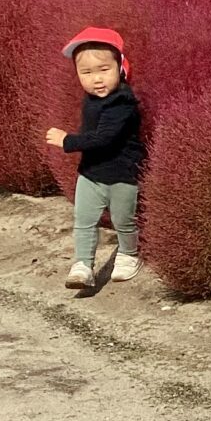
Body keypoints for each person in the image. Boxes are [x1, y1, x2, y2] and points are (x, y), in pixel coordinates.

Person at [45, 26, 144, 290]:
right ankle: (83, 265)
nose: (96, 79)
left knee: (124, 221)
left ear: (121, 68)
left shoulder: (122, 103)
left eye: (104, 70)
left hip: (122, 176)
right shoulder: (91, 99)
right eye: (86, 73)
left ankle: (128, 254)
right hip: (91, 173)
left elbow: (104, 138)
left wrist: (68, 140)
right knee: (84, 221)